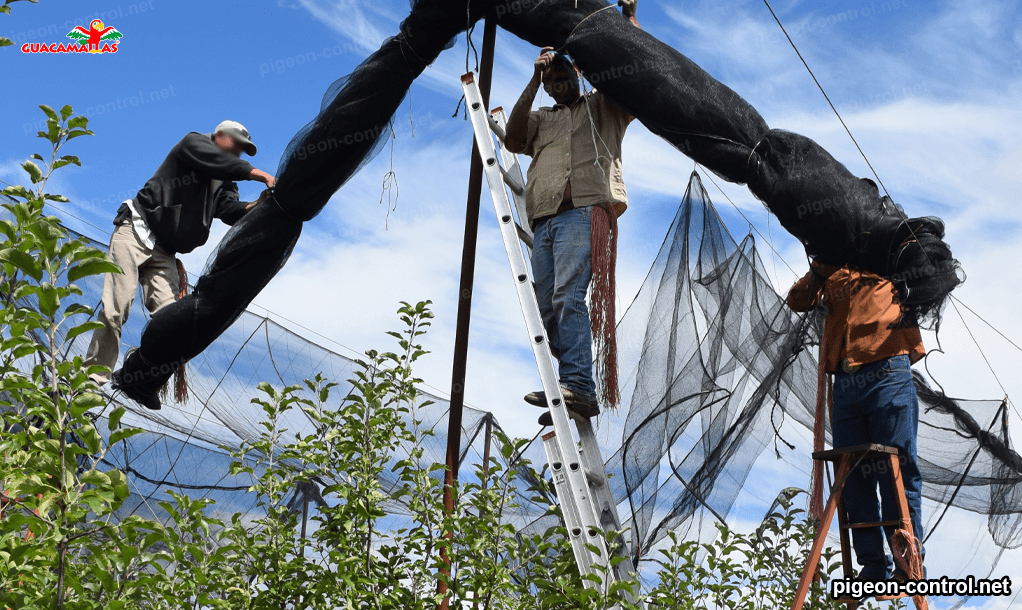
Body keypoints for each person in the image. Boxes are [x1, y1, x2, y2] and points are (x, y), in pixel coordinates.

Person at [504, 1, 639, 426]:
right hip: (543, 219)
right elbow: (511, 139)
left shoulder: (603, 107)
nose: (559, 82)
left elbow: (635, 74)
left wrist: (629, 20)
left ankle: (579, 386)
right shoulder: (541, 118)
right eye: (553, 78)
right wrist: (533, 76)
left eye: (566, 74)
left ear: (578, 74)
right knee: (546, 308)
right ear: (547, 85)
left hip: (583, 212)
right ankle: (573, 385)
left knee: (567, 297)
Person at [85, 120, 276, 408]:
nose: (238, 153)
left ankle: (139, 381)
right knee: (117, 307)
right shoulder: (194, 144)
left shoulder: (225, 180)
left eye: (243, 150)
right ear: (220, 136)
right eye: (236, 145)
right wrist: (260, 175)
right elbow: (218, 162)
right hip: (136, 230)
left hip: (165, 252)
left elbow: (229, 211)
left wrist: (258, 205)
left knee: (172, 325)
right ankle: (92, 379)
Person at [787, 261, 926, 582]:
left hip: (888, 370)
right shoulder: (830, 263)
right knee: (854, 476)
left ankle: (908, 567)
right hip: (847, 383)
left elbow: (921, 269)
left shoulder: (886, 251)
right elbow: (797, 299)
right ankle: (873, 566)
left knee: (898, 475)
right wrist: (821, 269)